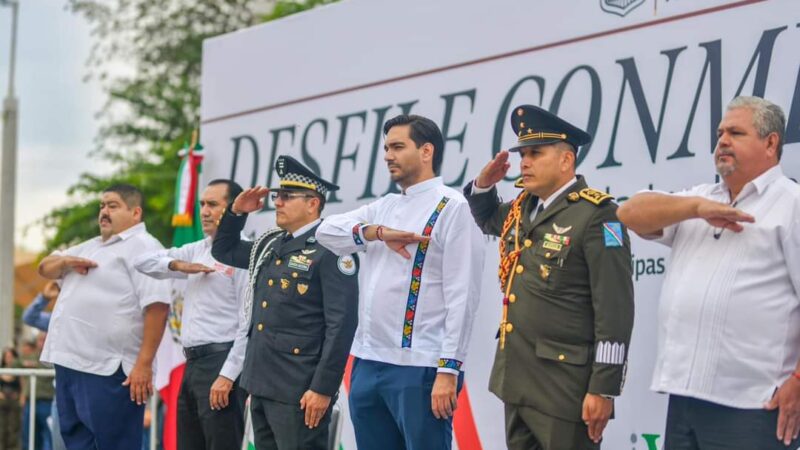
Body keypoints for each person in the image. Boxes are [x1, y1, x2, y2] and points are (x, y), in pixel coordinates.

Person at [617, 96, 800, 449]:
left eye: (735, 132)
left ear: (771, 142)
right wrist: (697, 208)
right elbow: (629, 213)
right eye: (719, 133)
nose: (723, 141)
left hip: (754, 405)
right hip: (685, 399)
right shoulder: (700, 199)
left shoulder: (791, 204)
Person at [464, 105, 634, 450]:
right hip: (516, 379)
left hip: (565, 387)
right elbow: (485, 218)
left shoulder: (598, 215)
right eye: (523, 154)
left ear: (566, 160)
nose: (524, 162)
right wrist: (484, 184)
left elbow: (615, 311)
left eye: (535, 154)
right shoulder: (522, 209)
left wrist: (603, 387)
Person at [315, 114, 485, 450]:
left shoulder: (453, 207)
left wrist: (449, 369)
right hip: (367, 362)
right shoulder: (385, 206)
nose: (388, 156)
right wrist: (375, 233)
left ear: (426, 151)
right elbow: (325, 232)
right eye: (386, 148)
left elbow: (462, 295)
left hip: (420, 367)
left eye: (397, 147)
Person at [211, 155, 359, 450]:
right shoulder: (271, 244)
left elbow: (341, 325)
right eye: (277, 195)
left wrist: (322, 388)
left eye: (287, 196)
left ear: (312, 203)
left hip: (299, 389)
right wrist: (236, 212)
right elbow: (224, 251)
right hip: (262, 382)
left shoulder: (331, 248)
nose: (277, 202)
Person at [37, 184, 171, 450]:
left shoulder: (144, 246)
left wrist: (143, 365)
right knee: (76, 441)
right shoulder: (89, 246)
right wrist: (65, 262)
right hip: (70, 363)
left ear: (135, 213)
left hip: (109, 368)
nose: (104, 212)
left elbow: (157, 307)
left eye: (113, 205)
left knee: (114, 444)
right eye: (102, 206)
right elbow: (45, 268)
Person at [134, 179, 248, 450]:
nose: (204, 211)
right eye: (202, 204)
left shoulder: (244, 254)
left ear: (233, 209)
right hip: (193, 364)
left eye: (213, 204)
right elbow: (142, 261)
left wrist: (228, 376)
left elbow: (249, 324)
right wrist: (177, 264)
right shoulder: (198, 248)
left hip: (222, 362)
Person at [20, 283, 66, 450]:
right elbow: (29, 317)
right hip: (52, 397)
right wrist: (45, 298)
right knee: (39, 441)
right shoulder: (55, 320)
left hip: (72, 391)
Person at [19, 334, 53, 450]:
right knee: (28, 436)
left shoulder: (52, 357)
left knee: (48, 436)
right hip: (30, 401)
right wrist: (23, 395)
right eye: (39, 340)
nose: (41, 343)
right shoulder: (31, 356)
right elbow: (17, 366)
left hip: (47, 401)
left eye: (44, 340)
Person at [1, 347, 22, 450]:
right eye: (6, 356)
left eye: (10, 356)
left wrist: (19, 395)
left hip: (14, 403)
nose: (8, 358)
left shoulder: (19, 371)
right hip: (1, 403)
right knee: (1, 429)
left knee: (13, 429)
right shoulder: (1, 370)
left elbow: (23, 385)